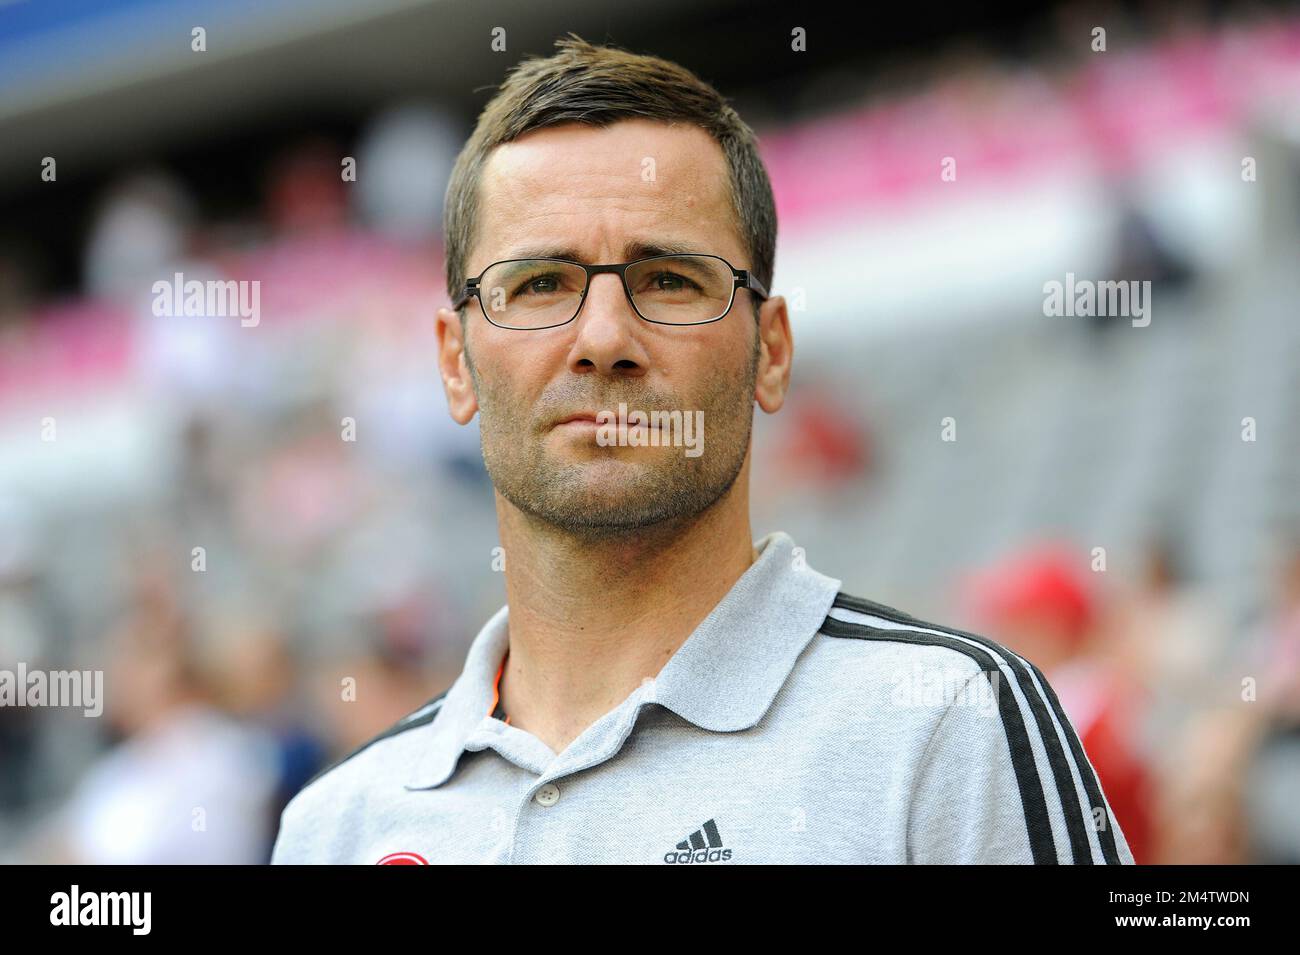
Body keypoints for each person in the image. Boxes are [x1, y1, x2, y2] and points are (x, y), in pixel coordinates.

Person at [271, 34, 1134, 865]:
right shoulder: (333, 827)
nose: (603, 336)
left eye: (670, 281)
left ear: (772, 351)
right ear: (454, 364)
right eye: (539, 284)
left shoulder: (951, 725)